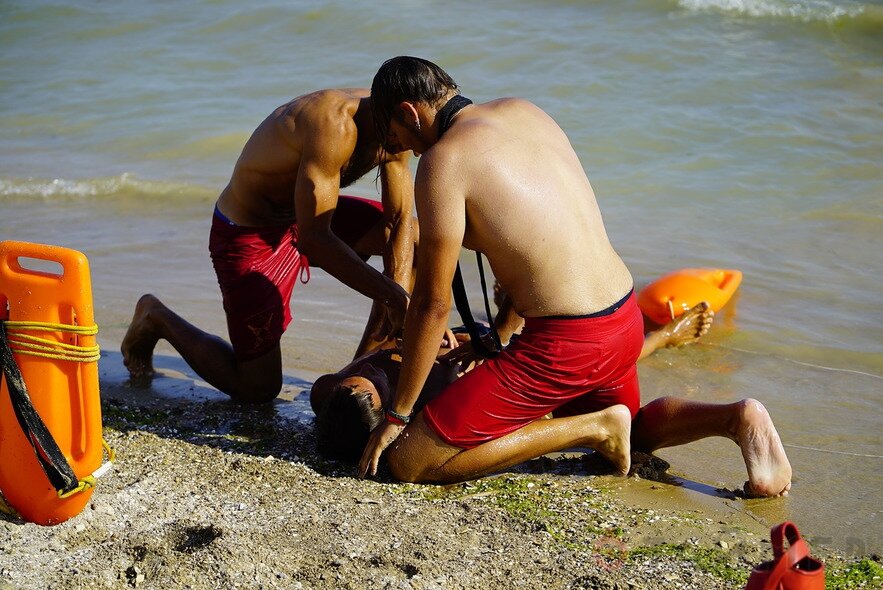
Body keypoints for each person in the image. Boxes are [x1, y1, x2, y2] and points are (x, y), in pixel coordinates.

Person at [358, 56, 791, 498]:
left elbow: (433, 304)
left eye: (398, 137)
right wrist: (499, 339)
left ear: (410, 112)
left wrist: (398, 416)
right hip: (623, 315)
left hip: (567, 341)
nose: (409, 151)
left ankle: (594, 429)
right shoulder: (524, 111)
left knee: (411, 461)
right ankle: (735, 417)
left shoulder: (443, 162)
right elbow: (538, 238)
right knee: (636, 433)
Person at [121, 89, 415, 403]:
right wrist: (393, 297)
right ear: (406, 112)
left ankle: (353, 377)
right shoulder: (334, 125)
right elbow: (315, 240)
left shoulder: (397, 129)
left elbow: (398, 221)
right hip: (250, 232)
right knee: (258, 388)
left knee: (414, 239)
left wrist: (399, 298)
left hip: (306, 216)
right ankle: (155, 317)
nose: (423, 150)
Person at [312, 303, 712, 461]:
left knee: (585, 356)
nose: (358, 380)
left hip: (470, 337)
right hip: (499, 362)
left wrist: (417, 337)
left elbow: (382, 345)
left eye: (352, 384)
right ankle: (661, 338)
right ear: (384, 415)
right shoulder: (420, 407)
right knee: (586, 366)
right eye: (367, 390)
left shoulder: (327, 392)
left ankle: (513, 307)